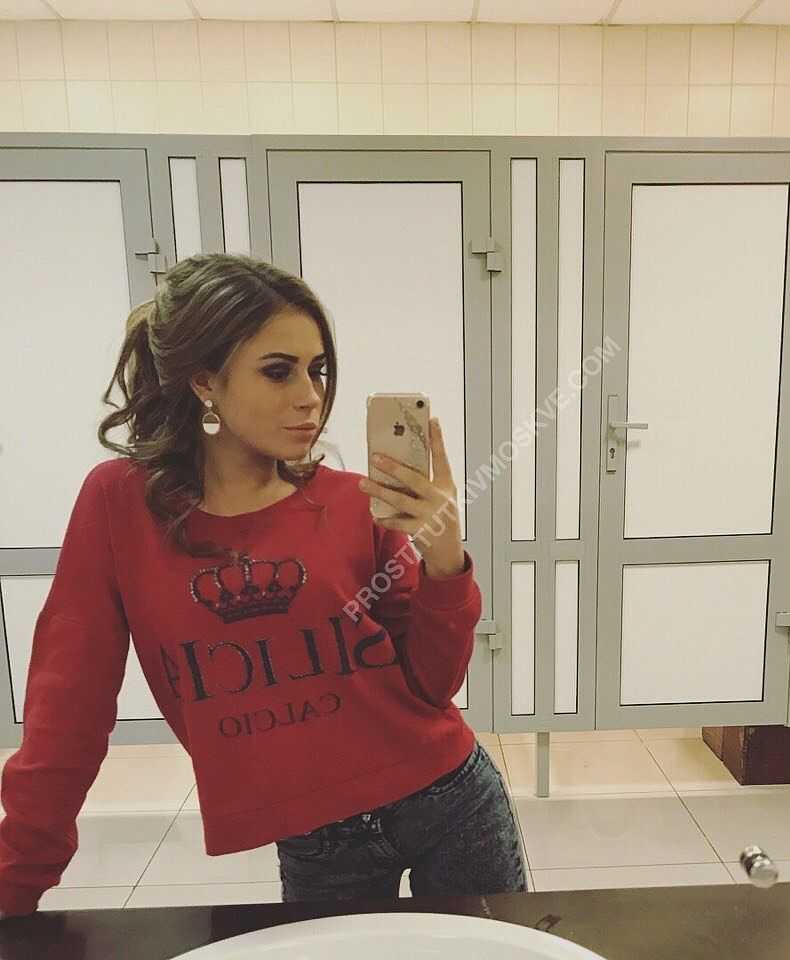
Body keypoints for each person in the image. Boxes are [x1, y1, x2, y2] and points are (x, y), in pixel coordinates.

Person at [0, 253, 528, 917]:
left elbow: (431, 685)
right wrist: (15, 880)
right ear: (204, 380)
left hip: (450, 802)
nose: (310, 395)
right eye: (279, 371)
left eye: (318, 369)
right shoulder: (121, 506)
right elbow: (67, 710)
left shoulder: (352, 502)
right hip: (316, 842)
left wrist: (444, 561)